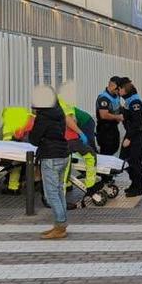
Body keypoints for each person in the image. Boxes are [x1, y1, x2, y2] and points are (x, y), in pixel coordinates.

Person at [28, 85, 70, 239]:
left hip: (50, 156)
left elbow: (34, 139)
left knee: (51, 194)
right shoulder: (58, 111)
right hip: (63, 153)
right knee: (59, 191)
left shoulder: (43, 116)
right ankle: (61, 225)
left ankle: (60, 226)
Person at [58, 82, 97, 190]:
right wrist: (80, 133)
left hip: (64, 138)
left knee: (67, 163)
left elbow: (72, 119)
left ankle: (67, 187)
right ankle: (90, 186)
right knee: (91, 155)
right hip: (69, 138)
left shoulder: (58, 101)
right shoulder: (63, 101)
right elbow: (69, 120)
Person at [118, 78, 142, 197]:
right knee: (125, 158)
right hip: (131, 133)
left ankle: (138, 187)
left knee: (134, 160)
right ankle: (134, 183)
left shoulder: (135, 102)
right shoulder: (128, 99)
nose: (118, 92)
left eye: (119, 89)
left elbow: (137, 122)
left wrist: (129, 138)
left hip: (136, 134)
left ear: (124, 89)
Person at [95, 76, 124, 155]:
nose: (120, 90)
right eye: (119, 88)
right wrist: (118, 117)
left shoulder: (116, 95)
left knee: (114, 147)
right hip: (105, 129)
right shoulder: (104, 98)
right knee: (106, 151)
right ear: (114, 86)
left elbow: (118, 106)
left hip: (113, 127)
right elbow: (104, 115)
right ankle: (104, 166)